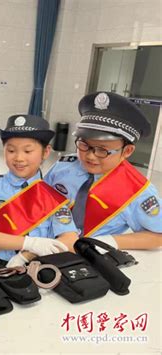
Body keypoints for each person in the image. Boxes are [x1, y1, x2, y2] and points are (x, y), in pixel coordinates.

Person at [45, 92, 162, 251]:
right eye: (84, 144)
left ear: (127, 151)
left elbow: (158, 236)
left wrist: (108, 242)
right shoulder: (64, 166)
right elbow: (41, 199)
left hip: (83, 259)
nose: (90, 155)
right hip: (38, 243)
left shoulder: (137, 190)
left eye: (102, 150)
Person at [0, 114, 73, 275]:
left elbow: (69, 240)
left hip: (35, 264)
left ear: (46, 152)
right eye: (11, 150)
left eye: (28, 151)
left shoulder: (53, 197)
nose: (19, 158)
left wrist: (26, 254)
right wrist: (30, 242)